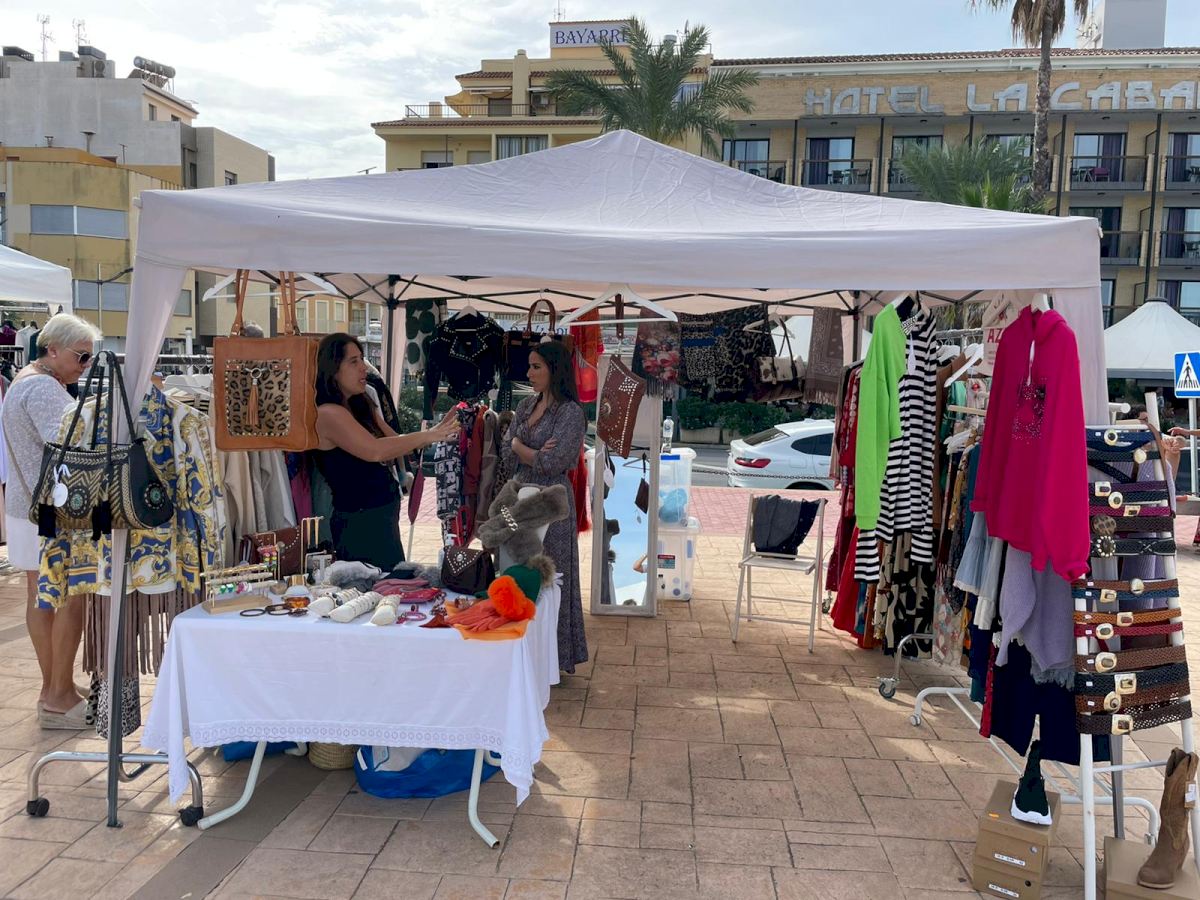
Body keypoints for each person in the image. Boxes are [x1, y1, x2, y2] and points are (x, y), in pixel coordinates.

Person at [2, 314, 101, 728]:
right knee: (69, 598)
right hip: (48, 510)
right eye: (81, 356)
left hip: (26, 507)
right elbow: (74, 441)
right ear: (53, 349)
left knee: (41, 598)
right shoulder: (43, 388)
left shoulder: (25, 380)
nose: (86, 365)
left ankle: (53, 689)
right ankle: (58, 694)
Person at [313, 333, 457, 570]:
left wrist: (433, 433)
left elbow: (394, 442)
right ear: (333, 368)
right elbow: (376, 451)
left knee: (392, 583)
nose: (364, 368)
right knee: (372, 587)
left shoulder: (360, 404)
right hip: (359, 523)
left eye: (362, 359)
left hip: (382, 516)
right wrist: (429, 435)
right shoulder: (328, 413)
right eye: (353, 362)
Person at [502, 341, 588, 672]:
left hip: (551, 503)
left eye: (536, 366)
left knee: (551, 579)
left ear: (555, 369)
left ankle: (553, 660)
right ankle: (518, 655)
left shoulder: (571, 413)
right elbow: (506, 451)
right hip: (518, 497)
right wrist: (528, 450)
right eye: (529, 366)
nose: (529, 373)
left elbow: (554, 462)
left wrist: (520, 445)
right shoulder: (526, 405)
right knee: (515, 569)